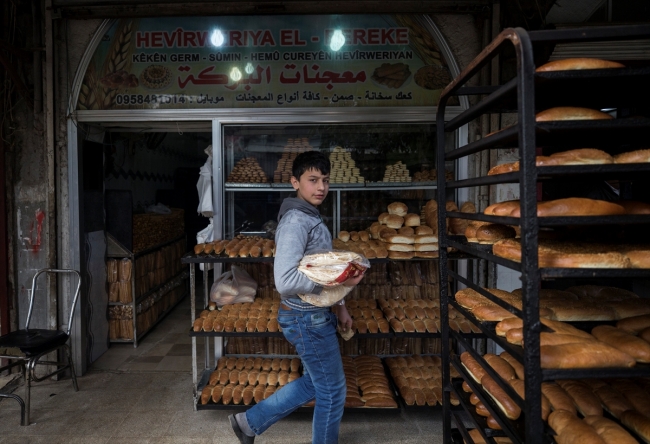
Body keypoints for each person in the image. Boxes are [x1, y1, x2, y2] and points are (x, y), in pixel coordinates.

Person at [229, 150, 364, 444]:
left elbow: (323, 266)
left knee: (319, 384)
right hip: (305, 316)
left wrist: (340, 306)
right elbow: (285, 280)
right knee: (332, 390)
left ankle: (248, 422)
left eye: (325, 180)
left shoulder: (309, 215)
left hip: (314, 314)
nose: (321, 188)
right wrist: (338, 282)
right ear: (295, 182)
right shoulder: (295, 222)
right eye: (312, 180)